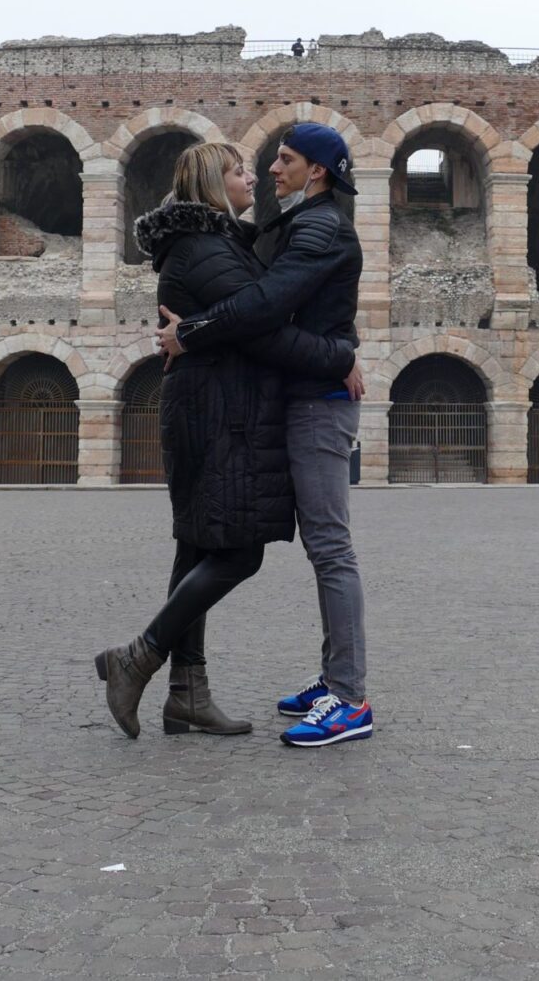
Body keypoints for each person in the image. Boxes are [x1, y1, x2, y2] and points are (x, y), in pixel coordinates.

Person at [94, 141, 360, 740]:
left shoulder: (217, 242)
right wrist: (336, 356)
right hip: (219, 413)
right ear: (216, 184)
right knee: (238, 551)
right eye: (241, 170)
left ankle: (187, 696)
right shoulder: (208, 247)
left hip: (214, 405)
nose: (255, 176)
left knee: (197, 548)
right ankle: (138, 656)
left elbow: (254, 319)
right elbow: (260, 328)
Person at [157, 122, 374, 748]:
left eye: (285, 159)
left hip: (319, 399)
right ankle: (334, 676)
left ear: (319, 171)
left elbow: (262, 306)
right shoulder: (292, 223)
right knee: (321, 546)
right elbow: (233, 256)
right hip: (297, 393)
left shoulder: (320, 227)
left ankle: (350, 697)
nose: (271, 169)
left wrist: (190, 331)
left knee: (331, 546)